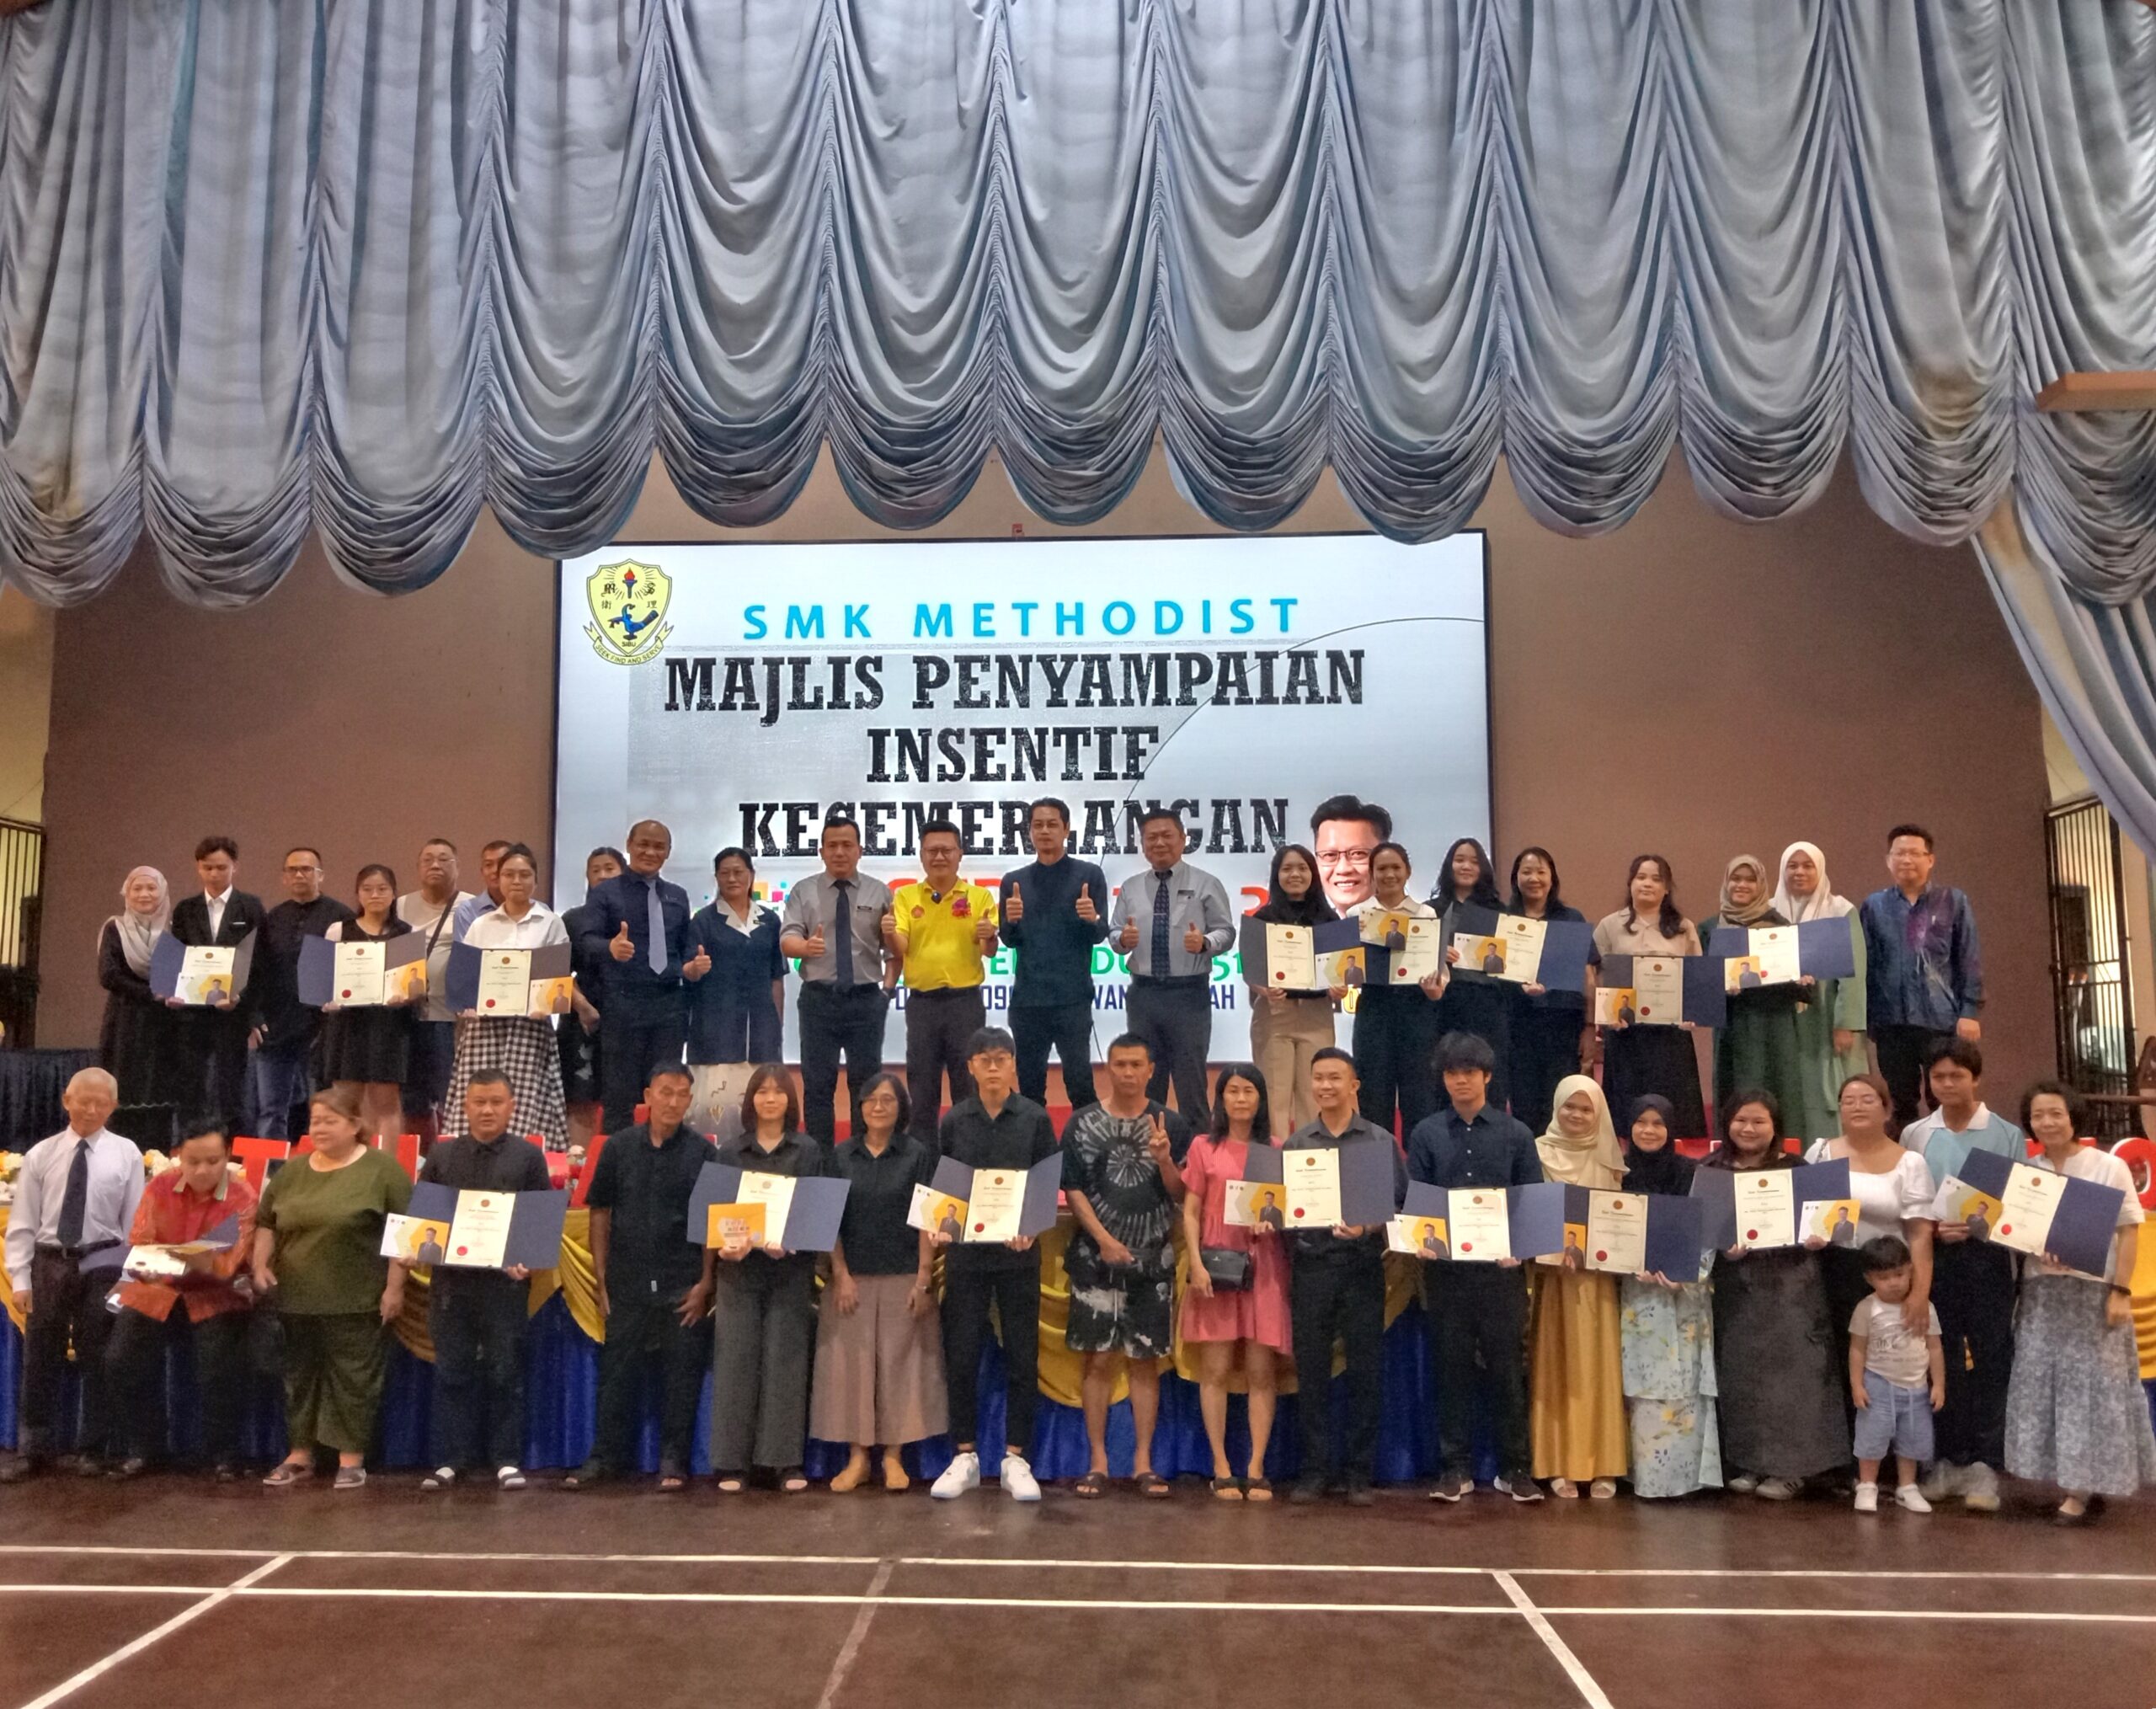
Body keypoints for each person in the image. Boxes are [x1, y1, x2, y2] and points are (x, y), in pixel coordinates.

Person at [2003, 1081, 2156, 1523]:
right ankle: (2077, 1482)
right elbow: (2016, 1234)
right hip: (2043, 1294)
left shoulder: (2108, 1167)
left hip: (2093, 1295)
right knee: (2044, 1387)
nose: (2047, 1122)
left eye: (2056, 1113)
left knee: (2091, 1390)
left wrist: (2120, 1291)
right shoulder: (2027, 1172)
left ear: (2074, 1116)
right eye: (2038, 1115)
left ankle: (2081, 1490)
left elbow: (2129, 1231)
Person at [568, 1065, 719, 1491]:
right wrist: (601, 1278)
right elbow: (600, 1212)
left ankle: (673, 1461)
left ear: (690, 1101)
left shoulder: (704, 1154)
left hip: (682, 1282)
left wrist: (706, 1283)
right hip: (627, 1281)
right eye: (665, 1092)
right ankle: (605, 1458)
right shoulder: (617, 1148)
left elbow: (713, 1220)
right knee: (616, 1375)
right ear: (648, 1096)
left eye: (682, 1094)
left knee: (681, 1377)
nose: (673, 1101)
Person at [254, 1086, 412, 1489]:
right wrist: (259, 1264)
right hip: (295, 1298)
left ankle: (351, 1458)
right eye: (315, 1121)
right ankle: (299, 1454)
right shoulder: (293, 1171)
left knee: (354, 1380)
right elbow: (267, 1222)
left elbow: (404, 1231)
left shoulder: (382, 1170)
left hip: (357, 1298)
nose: (320, 1129)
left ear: (356, 1125)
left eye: (330, 1121)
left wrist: (395, 1288)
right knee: (298, 1378)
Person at [1408, 1034, 1543, 1503]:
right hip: (1446, 1274)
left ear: (1487, 1076)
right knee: (1451, 1371)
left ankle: (1515, 1468)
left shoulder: (1517, 1134)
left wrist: (1521, 1249)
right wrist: (1421, 1241)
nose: (1460, 1080)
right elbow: (1417, 1201)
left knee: (1508, 1372)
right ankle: (1455, 1468)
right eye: (1452, 1072)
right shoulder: (1426, 1133)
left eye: (1469, 1071)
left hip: (1501, 1274)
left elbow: (1531, 1202)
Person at [404, 1070, 549, 1493]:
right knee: (452, 1372)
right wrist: (414, 1246)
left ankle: (506, 1459)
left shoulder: (528, 1158)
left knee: (506, 1371)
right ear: (464, 1107)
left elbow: (539, 1222)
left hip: (505, 1286)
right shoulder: (442, 1156)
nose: (487, 1110)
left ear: (512, 1107)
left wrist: (528, 1261)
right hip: (451, 1286)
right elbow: (424, 1221)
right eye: (479, 1102)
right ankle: (450, 1460)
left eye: (496, 1102)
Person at [928, 1028, 1058, 1503]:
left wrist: (1033, 1226)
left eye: (1002, 1058)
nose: (994, 1067)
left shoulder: (1035, 1118)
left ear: (1013, 1065)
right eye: (985, 1060)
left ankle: (1016, 1458)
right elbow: (945, 1185)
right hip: (966, 1255)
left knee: (1022, 1357)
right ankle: (964, 1455)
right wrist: (940, 1224)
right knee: (962, 1355)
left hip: (1018, 1254)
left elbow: (1046, 1182)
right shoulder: (955, 1120)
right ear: (971, 1068)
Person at [1061, 1033, 1190, 1498]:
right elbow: (1072, 1188)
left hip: (1152, 1262)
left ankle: (1143, 1463)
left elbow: (1183, 1194)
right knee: (1097, 1361)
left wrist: (1164, 1160)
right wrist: (1104, 1240)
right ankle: (1097, 1461)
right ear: (1107, 1068)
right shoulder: (1080, 1123)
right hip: (1094, 1261)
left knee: (1144, 1362)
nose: (1129, 1072)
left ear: (1151, 1070)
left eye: (1137, 1064)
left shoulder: (1172, 1123)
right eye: (1120, 1064)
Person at [0, 1069, 143, 1482]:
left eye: (101, 1103)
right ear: (66, 1100)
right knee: (40, 1353)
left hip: (104, 1260)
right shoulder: (41, 1154)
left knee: (97, 1354)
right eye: (84, 1101)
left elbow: (134, 1222)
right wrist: (20, 1278)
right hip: (49, 1260)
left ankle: (92, 1449)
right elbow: (23, 1222)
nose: (91, 1110)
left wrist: (128, 1275)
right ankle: (34, 1449)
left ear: (114, 1107)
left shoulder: (127, 1154)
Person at [1704, 1090, 1846, 1499]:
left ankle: (1793, 1470)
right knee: (1743, 1374)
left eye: (1759, 1121)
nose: (1748, 1129)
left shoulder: (1797, 1168)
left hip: (1793, 1283)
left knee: (1795, 1376)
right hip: (1737, 1287)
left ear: (1775, 1127)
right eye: (1741, 1120)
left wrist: (1822, 1236)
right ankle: (1751, 1462)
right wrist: (1722, 1246)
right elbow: (1703, 1230)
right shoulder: (1711, 1170)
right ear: (1727, 1123)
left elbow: (1832, 1222)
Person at [1901, 1039, 2020, 1511]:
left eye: (1957, 1076)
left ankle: (1986, 1466)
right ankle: (1947, 1460)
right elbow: (1910, 1202)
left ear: (1977, 1079)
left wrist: (1981, 1228)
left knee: (1992, 1358)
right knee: (1941, 1357)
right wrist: (1933, 1229)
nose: (1947, 1084)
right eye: (1938, 1077)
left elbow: (2021, 1204)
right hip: (1935, 1260)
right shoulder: (1915, 1134)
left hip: (1988, 1260)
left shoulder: (2006, 1134)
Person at [104, 1119, 258, 1479]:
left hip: (215, 1294)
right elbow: (141, 1245)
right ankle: (146, 1448)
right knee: (120, 1359)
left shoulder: (243, 1196)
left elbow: (225, 1264)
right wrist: (189, 1257)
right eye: (193, 1161)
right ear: (177, 1156)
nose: (203, 1170)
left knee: (219, 1367)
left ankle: (224, 1454)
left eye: (213, 1161)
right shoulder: (159, 1186)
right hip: (157, 1289)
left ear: (228, 1156)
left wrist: (174, 1258)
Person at [816, 1073, 946, 1491]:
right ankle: (857, 1459)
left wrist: (923, 1279)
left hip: (903, 1275)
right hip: (851, 1280)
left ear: (901, 1107)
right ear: (859, 1107)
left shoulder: (918, 1154)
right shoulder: (840, 1155)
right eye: (870, 1099)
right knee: (851, 1371)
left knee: (899, 1369)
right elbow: (829, 1221)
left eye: (887, 1100)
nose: (878, 1106)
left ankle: (893, 1457)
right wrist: (841, 1275)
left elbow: (929, 1220)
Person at [1286, 1046, 1405, 1504]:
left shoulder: (1379, 1141)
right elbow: (1283, 1209)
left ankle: (1358, 1473)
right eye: (1318, 1078)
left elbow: (1400, 1207)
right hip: (1312, 1269)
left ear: (1354, 1085)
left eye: (1335, 1077)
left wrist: (1368, 1225)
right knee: (1311, 1372)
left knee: (1365, 1372)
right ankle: (1314, 1470)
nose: (1326, 1085)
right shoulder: (1297, 1144)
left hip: (1361, 1268)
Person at [707, 1065, 834, 1493]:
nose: (770, 1099)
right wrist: (724, 1246)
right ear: (751, 1100)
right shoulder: (729, 1152)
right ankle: (732, 1464)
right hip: (738, 1272)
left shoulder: (808, 1150)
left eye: (779, 1092)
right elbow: (716, 1214)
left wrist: (793, 1239)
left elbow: (815, 1213)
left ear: (790, 1101)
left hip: (789, 1272)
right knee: (736, 1363)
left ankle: (783, 1463)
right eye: (762, 1091)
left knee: (786, 1364)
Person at [1180, 1065, 1291, 1500]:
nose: (1241, 1099)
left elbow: (1290, 1211)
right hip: (1217, 1265)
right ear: (1221, 1099)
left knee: (1263, 1371)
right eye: (1232, 1091)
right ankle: (1221, 1465)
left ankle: (1257, 1466)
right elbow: (1191, 1211)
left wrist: (1274, 1222)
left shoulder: (1276, 1150)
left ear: (1261, 1099)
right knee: (1216, 1370)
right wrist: (1195, 1264)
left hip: (1265, 1265)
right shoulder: (1203, 1147)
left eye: (1249, 1092)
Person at [1805, 1073, 1937, 1428]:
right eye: (1848, 1101)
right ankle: (1847, 1452)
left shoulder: (1909, 1162)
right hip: (1832, 1269)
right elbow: (1803, 1214)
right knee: (1835, 1358)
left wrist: (1920, 1293)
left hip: (1889, 1276)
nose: (1857, 1107)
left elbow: (1920, 1234)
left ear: (1886, 1108)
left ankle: (1894, 1453)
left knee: (1888, 1363)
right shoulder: (1819, 1153)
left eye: (1867, 1099)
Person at [1615, 1094, 1720, 1498]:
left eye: (1658, 1123)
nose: (1649, 1130)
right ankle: (1645, 1478)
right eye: (1641, 1122)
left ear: (1671, 1129)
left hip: (1685, 1299)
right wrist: (1626, 1266)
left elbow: (1707, 1231)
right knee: (1644, 1385)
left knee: (1686, 1387)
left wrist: (1687, 1277)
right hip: (1638, 1299)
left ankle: (1687, 1481)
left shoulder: (1693, 1175)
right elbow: (1609, 1234)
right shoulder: (1618, 1175)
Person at [1529, 1076, 1629, 1498]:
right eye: (1569, 1106)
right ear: (1556, 1107)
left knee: (1597, 1369)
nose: (1576, 1115)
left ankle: (1603, 1464)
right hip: (1552, 1279)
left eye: (1587, 1109)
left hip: (1596, 1281)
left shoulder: (1609, 1159)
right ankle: (1556, 1463)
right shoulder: (1536, 1152)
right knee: (1556, 1367)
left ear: (1599, 1114)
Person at [1108, 809, 1235, 1129]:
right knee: (1146, 1081)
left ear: (1183, 839)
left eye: (1167, 836)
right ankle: (1147, 1148)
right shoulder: (1131, 887)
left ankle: (1197, 1151)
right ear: (1143, 844)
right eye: (1152, 837)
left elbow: (1226, 931)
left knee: (1191, 1083)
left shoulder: (1206, 883)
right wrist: (1122, 940)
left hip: (1188, 994)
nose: (1159, 843)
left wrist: (1205, 942)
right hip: (1144, 994)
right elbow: (1114, 933)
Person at [781, 816, 894, 1146]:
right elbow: (787, 938)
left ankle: (862, 1157)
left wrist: (887, 992)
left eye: (847, 845)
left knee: (866, 1086)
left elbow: (894, 950)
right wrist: (804, 947)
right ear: (821, 851)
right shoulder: (803, 891)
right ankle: (821, 1162)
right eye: (832, 845)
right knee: (818, 1085)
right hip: (819, 1000)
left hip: (866, 1001)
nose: (840, 852)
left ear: (860, 850)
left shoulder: (879, 891)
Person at [1860, 825, 1983, 1130]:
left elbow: (1968, 957)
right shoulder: (1874, 906)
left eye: (1915, 853)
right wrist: (1865, 1019)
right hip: (1891, 1020)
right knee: (1901, 1101)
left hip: (1941, 1019)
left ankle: (1946, 1153)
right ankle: (1907, 1155)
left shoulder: (1953, 901)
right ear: (1888, 860)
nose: (1906, 860)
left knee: (1944, 1096)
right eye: (1899, 853)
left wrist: (1969, 1011)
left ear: (1930, 859)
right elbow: (1865, 964)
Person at [450, 845, 572, 1151]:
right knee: (479, 1098)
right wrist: (466, 1005)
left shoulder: (550, 923)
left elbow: (556, 980)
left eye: (524, 875)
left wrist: (547, 1005)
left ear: (536, 880)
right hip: (483, 1028)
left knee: (524, 1105)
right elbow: (466, 978)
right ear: (498, 879)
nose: (516, 881)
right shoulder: (481, 925)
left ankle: (519, 1162)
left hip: (529, 1027)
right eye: (509, 874)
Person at [887, 820, 1000, 1146]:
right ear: (921, 855)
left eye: (946, 850)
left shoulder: (979, 897)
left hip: (965, 1004)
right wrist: (889, 932)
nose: (939, 857)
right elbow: (901, 947)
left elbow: (989, 951)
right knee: (922, 1088)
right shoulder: (906, 896)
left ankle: (966, 1157)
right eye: (932, 850)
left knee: (967, 1086)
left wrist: (989, 936)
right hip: (922, 1005)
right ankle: (924, 1161)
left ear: (960, 854)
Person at [582, 820, 695, 1133]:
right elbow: (586, 940)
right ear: (629, 845)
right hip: (623, 1004)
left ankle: (665, 1157)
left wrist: (692, 966)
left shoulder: (678, 896)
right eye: (643, 844)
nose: (650, 852)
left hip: (669, 1007)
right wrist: (610, 948)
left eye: (659, 847)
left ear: (668, 852)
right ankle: (617, 1161)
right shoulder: (606, 892)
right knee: (619, 1098)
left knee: (667, 1094)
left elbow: (684, 949)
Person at [998, 797, 1110, 1110]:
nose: (1045, 831)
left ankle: (1085, 1143)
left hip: (1073, 999)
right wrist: (1012, 920)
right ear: (1030, 831)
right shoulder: (1014, 882)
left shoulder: (1089, 875)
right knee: (1030, 1089)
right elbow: (1008, 940)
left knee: (1080, 1085)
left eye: (1052, 824)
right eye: (1038, 825)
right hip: (1028, 1000)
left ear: (1066, 830)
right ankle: (1034, 1143)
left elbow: (1100, 935)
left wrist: (1092, 918)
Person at [1589, 855, 1706, 1139]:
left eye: (1656, 879)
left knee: (1671, 1115)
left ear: (1666, 888)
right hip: (1626, 1033)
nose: (1647, 884)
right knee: (1625, 1117)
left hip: (1670, 1035)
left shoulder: (1683, 927)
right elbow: (1595, 974)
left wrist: (1692, 1012)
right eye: (1641, 877)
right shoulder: (1609, 925)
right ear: (1630, 883)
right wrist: (1605, 1015)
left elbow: (1696, 977)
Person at [245, 848, 357, 1140]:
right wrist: (254, 1015)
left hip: (323, 1029)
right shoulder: (272, 919)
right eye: (292, 870)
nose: (299, 875)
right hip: (275, 1029)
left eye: (307, 869)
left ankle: (326, 1162)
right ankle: (272, 1166)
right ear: (284, 877)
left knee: (325, 1109)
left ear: (321, 875)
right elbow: (257, 971)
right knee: (271, 1110)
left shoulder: (342, 917)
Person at [166, 836, 269, 1135]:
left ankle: (232, 1153)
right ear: (198, 868)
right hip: (192, 1014)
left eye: (221, 867)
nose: (214, 874)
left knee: (231, 1089)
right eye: (207, 867)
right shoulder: (186, 909)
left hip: (233, 1014)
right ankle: (189, 1149)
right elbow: (178, 958)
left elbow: (261, 962)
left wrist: (243, 1002)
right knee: (191, 1087)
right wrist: (176, 992)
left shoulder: (250, 907)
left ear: (235, 867)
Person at [1700, 856, 1807, 1134]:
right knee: (1734, 1091)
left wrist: (1803, 979)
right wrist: (1720, 986)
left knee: (1778, 1087)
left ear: (1761, 885)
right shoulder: (1710, 929)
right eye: (1736, 879)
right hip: (1733, 1026)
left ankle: (1779, 1151)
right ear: (1726, 882)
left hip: (1775, 1026)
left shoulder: (1781, 926)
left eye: (1750, 880)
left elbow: (1801, 987)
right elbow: (1700, 987)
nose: (1742, 885)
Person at [685, 846, 787, 1140]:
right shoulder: (703, 920)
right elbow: (688, 971)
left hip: (761, 1030)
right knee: (716, 1115)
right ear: (716, 877)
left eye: (738, 872)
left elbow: (776, 979)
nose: (732, 879)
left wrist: (776, 1025)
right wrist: (695, 968)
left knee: (761, 1111)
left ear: (751, 875)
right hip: (716, 1029)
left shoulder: (769, 921)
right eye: (725, 873)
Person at [1769, 842, 1869, 1140]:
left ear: (1820, 869)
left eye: (1807, 865)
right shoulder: (1769, 912)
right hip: (1783, 1017)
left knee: (1830, 1087)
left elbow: (1854, 972)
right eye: (1792, 866)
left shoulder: (1840, 910)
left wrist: (1846, 1023)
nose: (1799, 872)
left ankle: (1833, 1152)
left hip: (1827, 1016)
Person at [1350, 844, 1446, 1137]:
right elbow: (1342, 968)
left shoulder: (1426, 914)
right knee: (1373, 1097)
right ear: (1371, 874)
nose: (1389, 874)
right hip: (1373, 1011)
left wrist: (1435, 990)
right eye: (1382, 868)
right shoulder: (1357, 914)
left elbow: (1440, 973)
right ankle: (1380, 1165)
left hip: (1417, 1011)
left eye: (1396, 868)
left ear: (1408, 872)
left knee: (1420, 1097)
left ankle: (1419, 1165)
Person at [1847, 1234, 1945, 1514]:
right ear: (1869, 1279)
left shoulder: (1925, 1308)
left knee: (1912, 1439)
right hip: (1878, 1383)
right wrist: (1857, 1385)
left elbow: (1935, 1347)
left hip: (1916, 1387)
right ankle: (1867, 1485)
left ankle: (1907, 1487)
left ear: (1910, 1269)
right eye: (1884, 1277)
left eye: (1899, 1274)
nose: (1893, 1282)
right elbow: (1857, 1349)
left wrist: (1938, 1384)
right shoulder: (1867, 1309)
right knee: (1872, 1436)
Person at [319, 864, 416, 1143]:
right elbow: (324, 980)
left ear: (394, 894)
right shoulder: (339, 930)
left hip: (389, 1025)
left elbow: (416, 984)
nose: (375, 895)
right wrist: (328, 999)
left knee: (386, 1102)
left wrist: (408, 995)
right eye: (368, 889)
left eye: (382, 889)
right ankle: (346, 1159)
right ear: (358, 894)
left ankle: (386, 1164)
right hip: (347, 1024)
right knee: (344, 1101)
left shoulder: (407, 933)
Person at [1246, 844, 1337, 1135]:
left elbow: (1342, 972)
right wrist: (1263, 988)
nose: (1295, 874)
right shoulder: (1262, 918)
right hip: (1275, 1014)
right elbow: (1251, 973)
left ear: (1313, 874)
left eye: (1302, 868)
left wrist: (1340, 987)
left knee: (1316, 1092)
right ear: (1277, 876)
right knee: (1275, 1095)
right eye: (1287, 869)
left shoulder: (1330, 920)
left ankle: (1313, 1159)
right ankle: (1276, 1159)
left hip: (1317, 1015)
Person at [1503, 847, 1591, 1136]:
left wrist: (1590, 1028)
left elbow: (1588, 975)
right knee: (1524, 1107)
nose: (1534, 878)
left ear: (1552, 878)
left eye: (1541, 872)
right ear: (1516, 878)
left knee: (1561, 1103)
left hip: (1562, 1029)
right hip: (1518, 1029)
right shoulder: (1504, 920)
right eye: (1526, 872)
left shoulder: (1571, 919)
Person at [395, 838, 477, 1138]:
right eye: (428, 859)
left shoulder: (472, 906)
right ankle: (419, 1156)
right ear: (418, 868)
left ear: (457, 867)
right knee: (411, 1099)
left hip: (451, 1018)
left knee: (449, 1093)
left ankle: (452, 1151)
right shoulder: (400, 905)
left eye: (444, 859)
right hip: (407, 1015)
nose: (435, 865)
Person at [1431, 837, 1512, 1111]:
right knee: (1446, 1073)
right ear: (1449, 865)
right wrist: (1437, 953)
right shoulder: (1431, 910)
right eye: (1460, 860)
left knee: (1491, 1077)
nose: (1466, 866)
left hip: (1488, 1004)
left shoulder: (1499, 911)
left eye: (1474, 861)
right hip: (1445, 1004)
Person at [98, 865, 175, 1146]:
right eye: (137, 888)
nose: (144, 894)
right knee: (124, 1089)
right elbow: (108, 975)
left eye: (152, 888)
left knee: (160, 1091)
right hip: (125, 1022)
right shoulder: (114, 928)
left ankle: (157, 1161)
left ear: (162, 892)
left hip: (165, 1024)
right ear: (126, 893)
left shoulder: (174, 930)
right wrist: (152, 994)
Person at [558, 845, 624, 1151]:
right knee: (580, 1098)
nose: (602, 875)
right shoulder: (572, 919)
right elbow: (557, 972)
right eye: (595, 870)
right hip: (581, 1019)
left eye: (609, 868)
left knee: (622, 1101)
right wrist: (582, 1006)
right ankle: (578, 1167)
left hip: (627, 1019)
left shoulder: (636, 917)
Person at [1310, 793, 1392, 916]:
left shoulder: (1414, 926)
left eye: (1358, 854)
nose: (1343, 869)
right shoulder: (1306, 927)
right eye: (1330, 855)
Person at [451, 840, 515, 939]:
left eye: (501, 863)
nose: (495, 870)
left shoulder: (536, 911)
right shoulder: (468, 911)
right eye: (488, 865)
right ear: (482, 872)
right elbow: (463, 949)